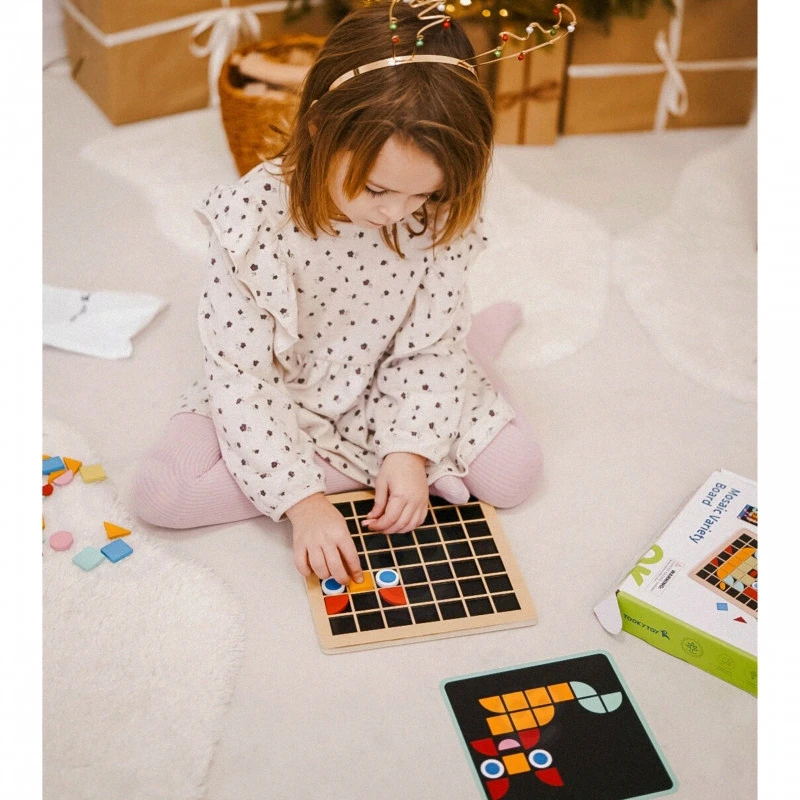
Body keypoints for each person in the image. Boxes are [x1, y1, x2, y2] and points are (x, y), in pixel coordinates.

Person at [133, 1, 542, 587]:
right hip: (280, 386)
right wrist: (303, 502)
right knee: (162, 495)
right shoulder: (254, 221)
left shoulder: (433, 211)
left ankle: (470, 353)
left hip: (391, 376)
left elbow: (428, 347)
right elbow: (244, 376)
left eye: (424, 195)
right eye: (377, 189)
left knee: (514, 477)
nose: (398, 212)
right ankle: (348, 464)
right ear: (319, 128)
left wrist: (408, 452)